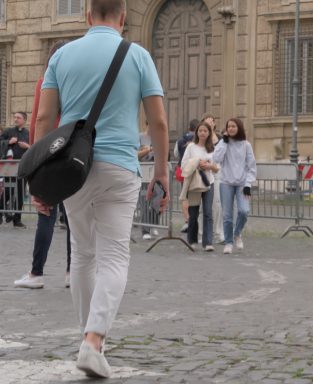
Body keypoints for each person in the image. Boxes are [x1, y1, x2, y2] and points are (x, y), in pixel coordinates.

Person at [33, 0, 169, 377]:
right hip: (119, 167)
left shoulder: (62, 56)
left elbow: (44, 117)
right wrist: (161, 169)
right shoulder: (138, 55)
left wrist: (39, 175)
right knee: (113, 256)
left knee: (82, 254)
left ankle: (87, 338)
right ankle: (94, 341)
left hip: (71, 170)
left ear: (87, 15)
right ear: (123, 18)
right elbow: (157, 120)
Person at [13, 41, 72, 290]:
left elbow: (39, 118)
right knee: (73, 219)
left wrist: (37, 161)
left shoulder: (45, 80)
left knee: (45, 215)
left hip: (50, 152)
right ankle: (72, 272)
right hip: (72, 152)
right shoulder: (74, 82)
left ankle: (37, 273)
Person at [213, 118, 256, 254]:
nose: (231, 128)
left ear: (239, 128)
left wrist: (248, 183)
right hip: (226, 182)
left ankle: (236, 233)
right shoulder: (222, 143)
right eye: (228, 126)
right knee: (227, 215)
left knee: (244, 211)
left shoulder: (246, 145)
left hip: (242, 184)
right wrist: (224, 143)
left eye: (233, 126)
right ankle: (229, 242)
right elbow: (216, 159)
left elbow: (251, 165)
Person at [181, 121, 218, 251]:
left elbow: (217, 168)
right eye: (200, 130)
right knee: (193, 212)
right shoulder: (191, 147)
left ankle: (208, 242)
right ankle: (192, 240)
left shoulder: (213, 149)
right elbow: (183, 164)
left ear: (209, 133)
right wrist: (196, 162)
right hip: (195, 183)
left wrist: (209, 166)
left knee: (208, 212)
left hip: (209, 183)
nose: (202, 133)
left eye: (205, 131)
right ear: (197, 132)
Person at [0, 111, 30, 227]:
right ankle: (1, 213)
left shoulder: (28, 133)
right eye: (15, 117)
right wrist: (8, 142)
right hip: (9, 168)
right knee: (7, 192)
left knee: (21, 193)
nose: (16, 119)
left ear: (24, 120)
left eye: (18, 117)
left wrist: (27, 146)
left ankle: (17, 219)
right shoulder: (8, 131)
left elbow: (34, 147)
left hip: (23, 168)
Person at [201, 113, 224, 243]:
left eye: (212, 121)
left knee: (218, 202)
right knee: (203, 205)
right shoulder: (202, 138)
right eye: (207, 121)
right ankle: (203, 231)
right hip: (204, 173)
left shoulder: (220, 139)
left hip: (218, 172)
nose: (210, 122)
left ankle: (218, 231)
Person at [174, 118, 198, 233]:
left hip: (184, 170)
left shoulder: (180, 140)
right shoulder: (200, 139)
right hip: (197, 171)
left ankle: (187, 221)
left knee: (185, 196)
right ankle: (195, 221)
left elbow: (176, 153)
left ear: (189, 127)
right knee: (196, 197)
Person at [138, 122, 158, 240]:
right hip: (144, 173)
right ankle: (145, 230)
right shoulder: (140, 137)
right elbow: (136, 154)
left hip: (156, 173)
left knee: (157, 199)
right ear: (147, 124)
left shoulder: (158, 137)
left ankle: (153, 224)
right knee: (145, 200)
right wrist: (149, 149)